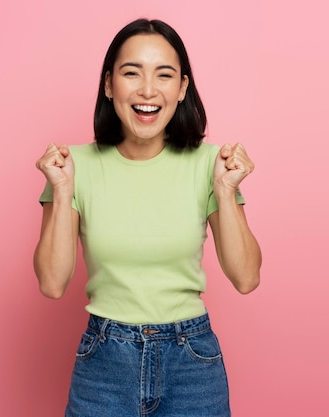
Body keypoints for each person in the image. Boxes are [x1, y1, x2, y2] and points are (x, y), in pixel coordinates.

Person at [34, 18, 261, 417]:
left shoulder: (212, 165)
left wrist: (226, 191)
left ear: (182, 88)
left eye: (164, 75)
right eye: (131, 73)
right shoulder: (72, 166)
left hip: (191, 362)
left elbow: (246, 278)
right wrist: (64, 188)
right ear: (109, 85)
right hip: (104, 362)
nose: (148, 90)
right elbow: (52, 284)